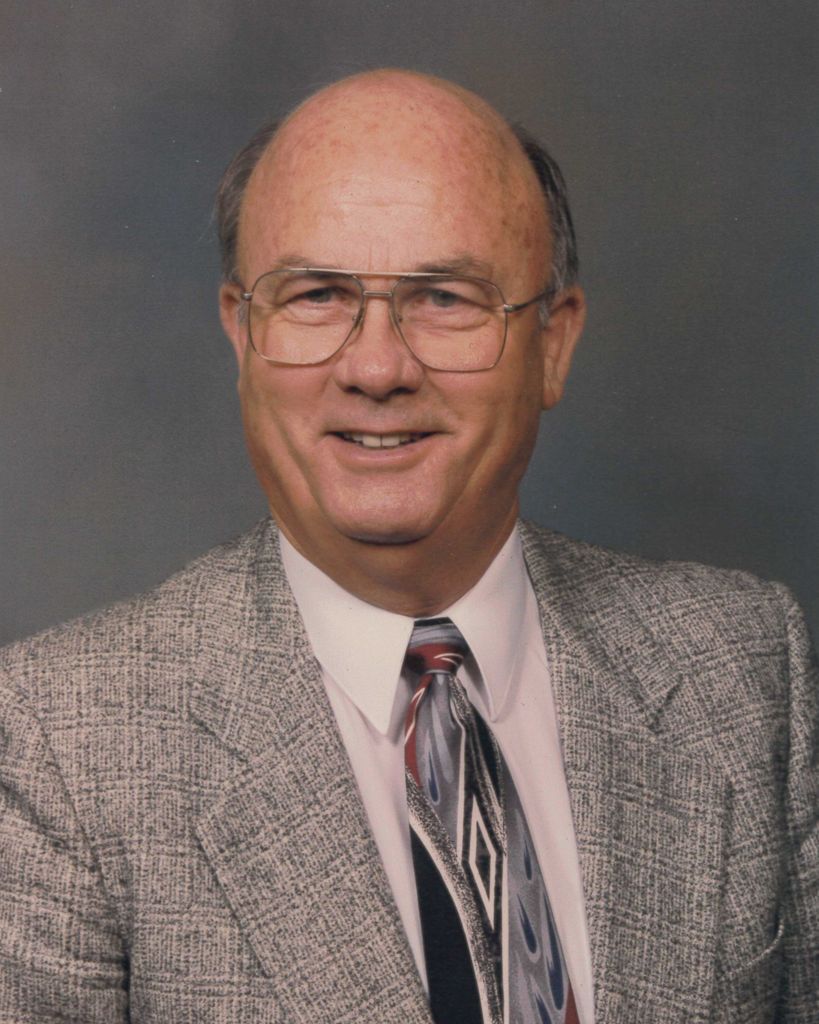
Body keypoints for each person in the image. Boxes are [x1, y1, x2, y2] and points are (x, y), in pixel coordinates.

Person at [0, 69, 815, 1024]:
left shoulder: (744, 668)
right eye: (315, 294)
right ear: (241, 333)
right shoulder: (61, 742)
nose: (377, 366)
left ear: (552, 344)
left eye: (444, 297)